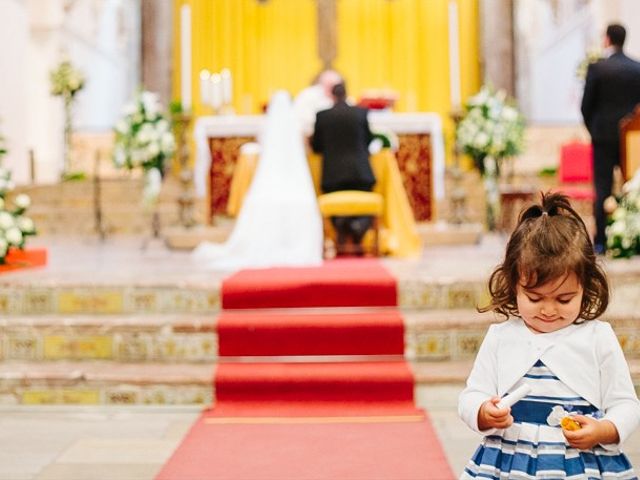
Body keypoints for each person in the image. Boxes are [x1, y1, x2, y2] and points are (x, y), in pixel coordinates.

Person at [459, 192, 640, 479]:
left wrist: (604, 429)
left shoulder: (597, 337)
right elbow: (473, 394)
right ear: (513, 286)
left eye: (564, 299)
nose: (548, 310)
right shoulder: (501, 338)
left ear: (586, 287)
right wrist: (483, 411)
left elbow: (626, 403)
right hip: (510, 461)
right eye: (534, 298)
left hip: (581, 462)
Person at [192, 90, 323, 270]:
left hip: (270, 179)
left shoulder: (266, 125)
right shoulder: (295, 124)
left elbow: (263, 146)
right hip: (295, 180)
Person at [581, 23, 640, 254]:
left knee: (602, 188)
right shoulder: (637, 68)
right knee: (632, 187)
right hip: (632, 141)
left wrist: (594, 130)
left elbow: (586, 106)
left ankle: (601, 242)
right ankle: (631, 237)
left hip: (603, 138)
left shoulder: (597, 69)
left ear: (607, 39)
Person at [311, 82, 376, 255]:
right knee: (365, 201)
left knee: (335, 203)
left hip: (333, 177)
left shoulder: (322, 116)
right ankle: (358, 227)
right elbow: (368, 140)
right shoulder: (361, 113)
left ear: (331, 96)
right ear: (347, 94)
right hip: (360, 174)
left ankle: (341, 225)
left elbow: (316, 146)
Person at [293, 69, 342, 136]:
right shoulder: (307, 95)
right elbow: (300, 117)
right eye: (329, 85)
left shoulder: (341, 97)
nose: (332, 89)